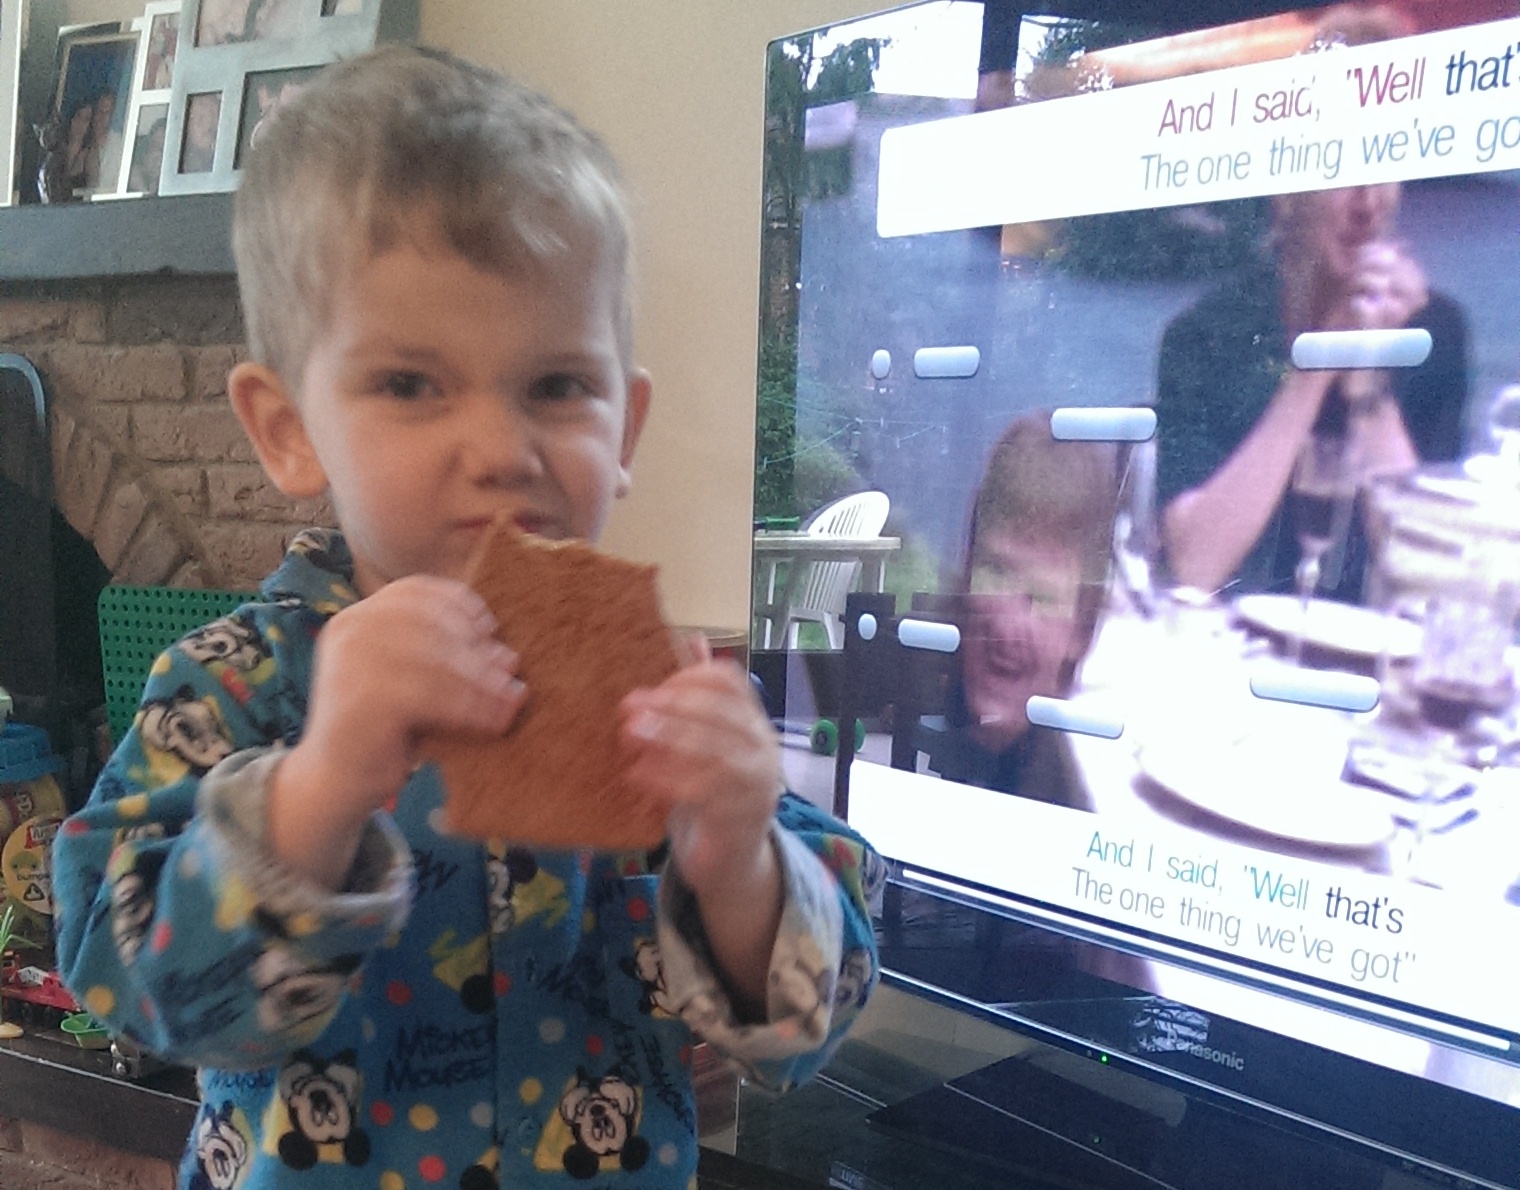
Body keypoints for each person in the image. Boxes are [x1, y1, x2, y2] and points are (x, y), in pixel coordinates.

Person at [52, 46, 881, 1190]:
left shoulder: (657, 697)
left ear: (625, 425)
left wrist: (736, 853)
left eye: (557, 385)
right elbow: (129, 985)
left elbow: (803, 1029)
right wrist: (318, 786)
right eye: (409, 384)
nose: (500, 449)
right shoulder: (231, 685)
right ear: (288, 429)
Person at [1156, 6, 1469, 600]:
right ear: (1289, 186)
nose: (1369, 202)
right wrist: (1317, 366)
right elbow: (1196, 565)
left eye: (1391, 160)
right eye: (1346, 162)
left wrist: (1369, 384)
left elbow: (1430, 579)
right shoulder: (1209, 334)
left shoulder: (1432, 332)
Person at [923, 411, 1120, 809]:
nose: (1006, 623)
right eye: (995, 573)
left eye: (1041, 596)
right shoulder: (907, 725)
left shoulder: (1088, 800)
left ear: (1082, 631)